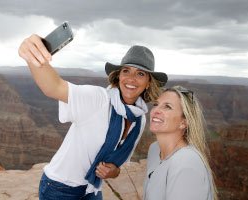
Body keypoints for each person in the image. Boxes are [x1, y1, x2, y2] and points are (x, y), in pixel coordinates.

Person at [18, 34, 168, 200]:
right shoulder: (98, 99)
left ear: (148, 82)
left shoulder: (139, 119)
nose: (131, 78)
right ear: (119, 76)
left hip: (91, 190)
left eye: (140, 74)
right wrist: (32, 55)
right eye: (126, 71)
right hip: (59, 189)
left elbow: (118, 165)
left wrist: (113, 172)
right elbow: (54, 87)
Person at [143, 86, 218, 200]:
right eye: (156, 104)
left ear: (183, 123)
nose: (155, 110)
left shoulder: (186, 161)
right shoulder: (154, 149)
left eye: (167, 107)